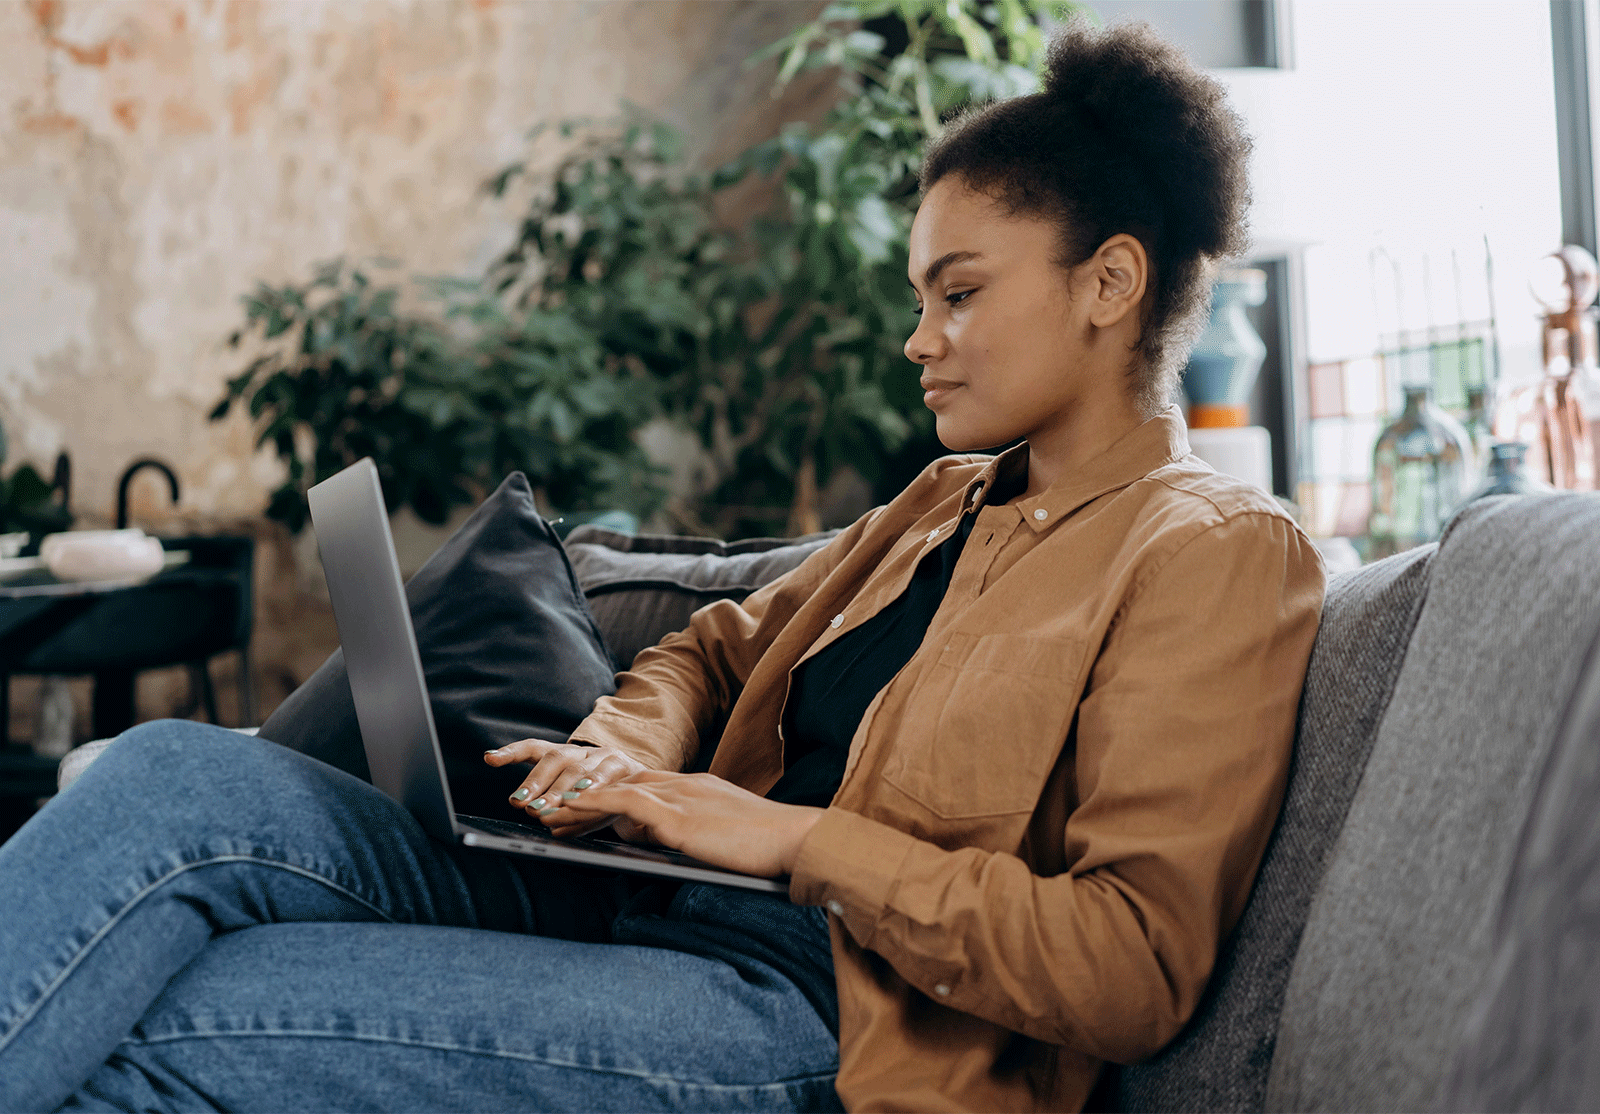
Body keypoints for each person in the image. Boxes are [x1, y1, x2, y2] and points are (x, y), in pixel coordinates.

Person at [0, 20, 1323, 1113]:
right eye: (918, 297)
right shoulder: (939, 505)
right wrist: (624, 754)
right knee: (167, 770)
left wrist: (793, 837)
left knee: (174, 1017)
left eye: (958, 293)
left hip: (814, 1019)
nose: (919, 339)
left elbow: (1132, 965)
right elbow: (713, 644)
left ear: (1108, 284)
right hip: (640, 909)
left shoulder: (1211, 554)